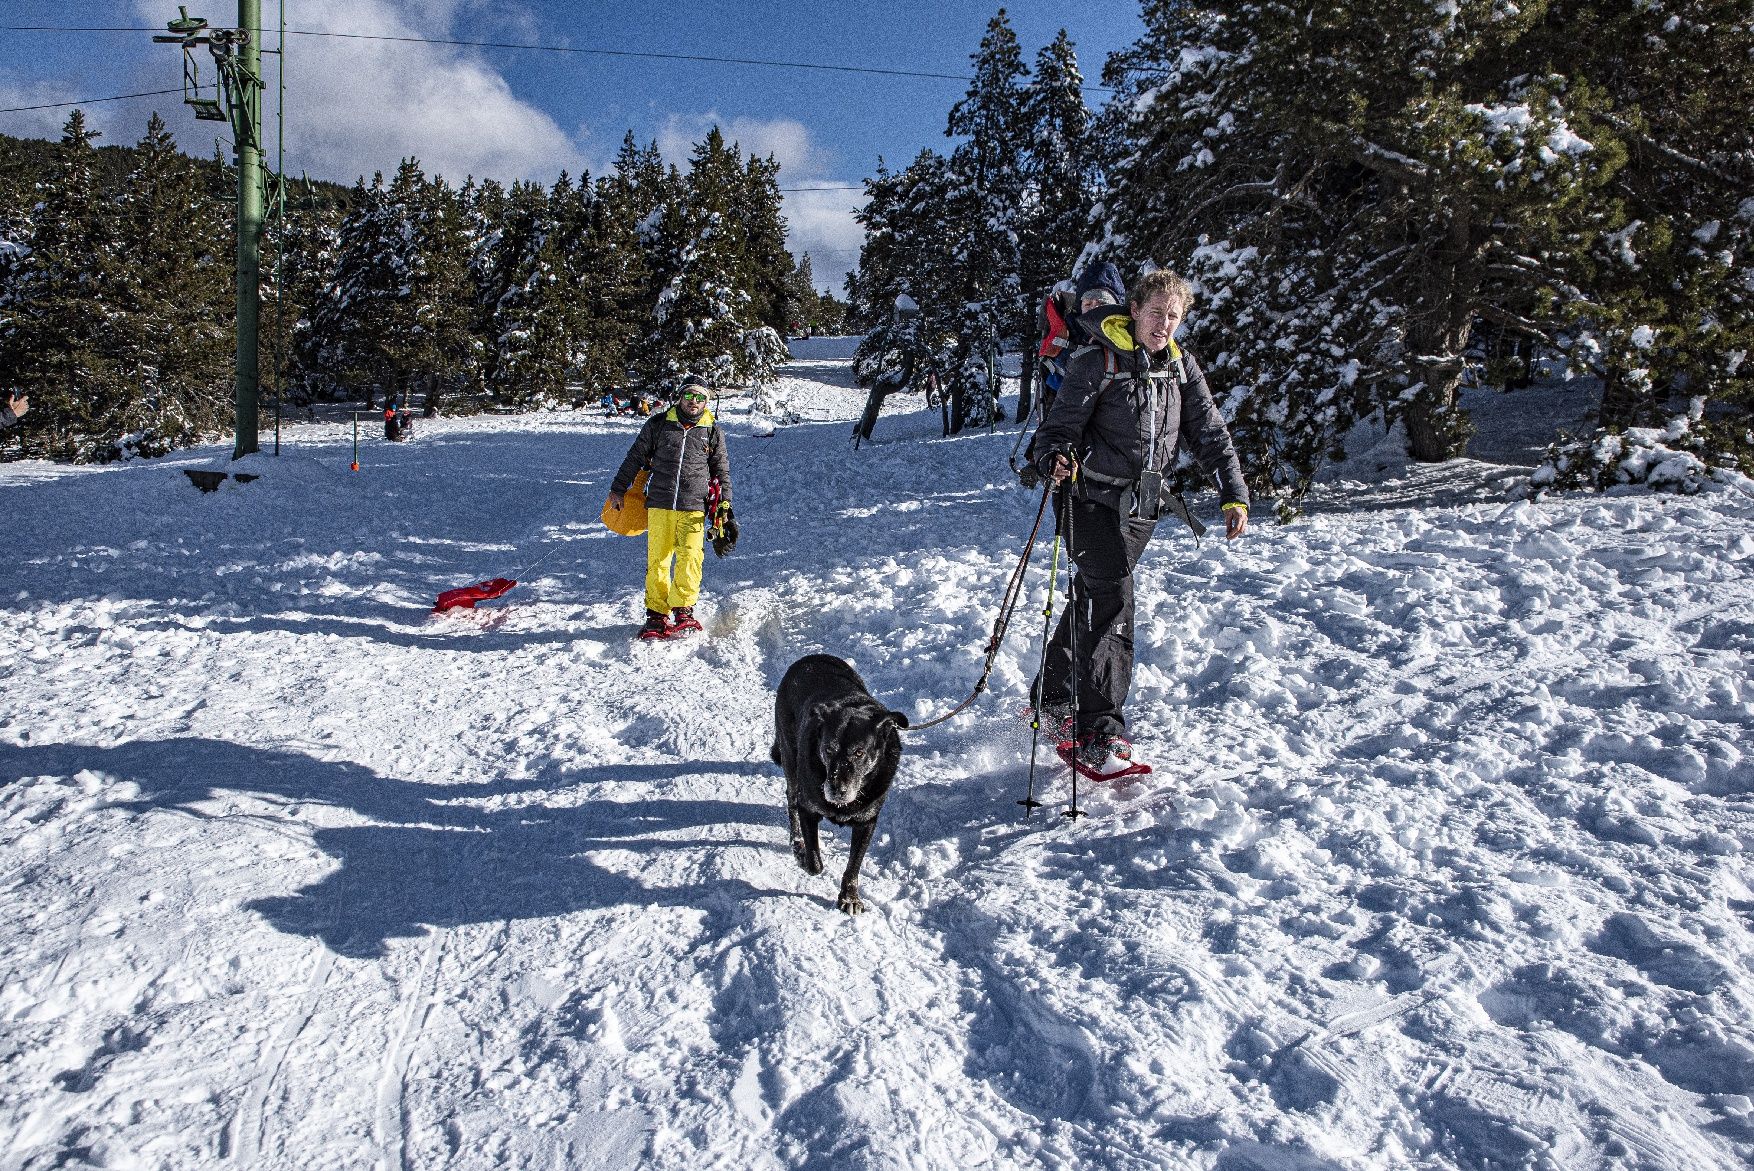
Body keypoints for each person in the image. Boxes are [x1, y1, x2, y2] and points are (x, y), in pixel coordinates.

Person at [1030, 268, 1250, 771]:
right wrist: (1055, 457)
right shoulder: (1097, 359)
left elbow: (1210, 434)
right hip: (1085, 500)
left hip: (1139, 511)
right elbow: (1056, 430)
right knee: (1114, 598)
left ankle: (1052, 697)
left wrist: (1232, 494)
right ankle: (1100, 731)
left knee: (1095, 596)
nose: (1164, 324)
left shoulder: (1180, 367)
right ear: (1135, 310)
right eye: (1156, 313)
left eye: (1174, 316)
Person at [607, 375, 734, 640]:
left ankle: (683, 609)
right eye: (689, 396)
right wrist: (618, 488)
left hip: (694, 505)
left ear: (706, 402)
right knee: (659, 560)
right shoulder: (659, 425)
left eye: (700, 397)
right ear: (680, 397)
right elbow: (635, 457)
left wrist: (725, 506)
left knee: (691, 558)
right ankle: (656, 613)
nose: (694, 402)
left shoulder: (712, 431)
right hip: (661, 503)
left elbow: (721, 471)